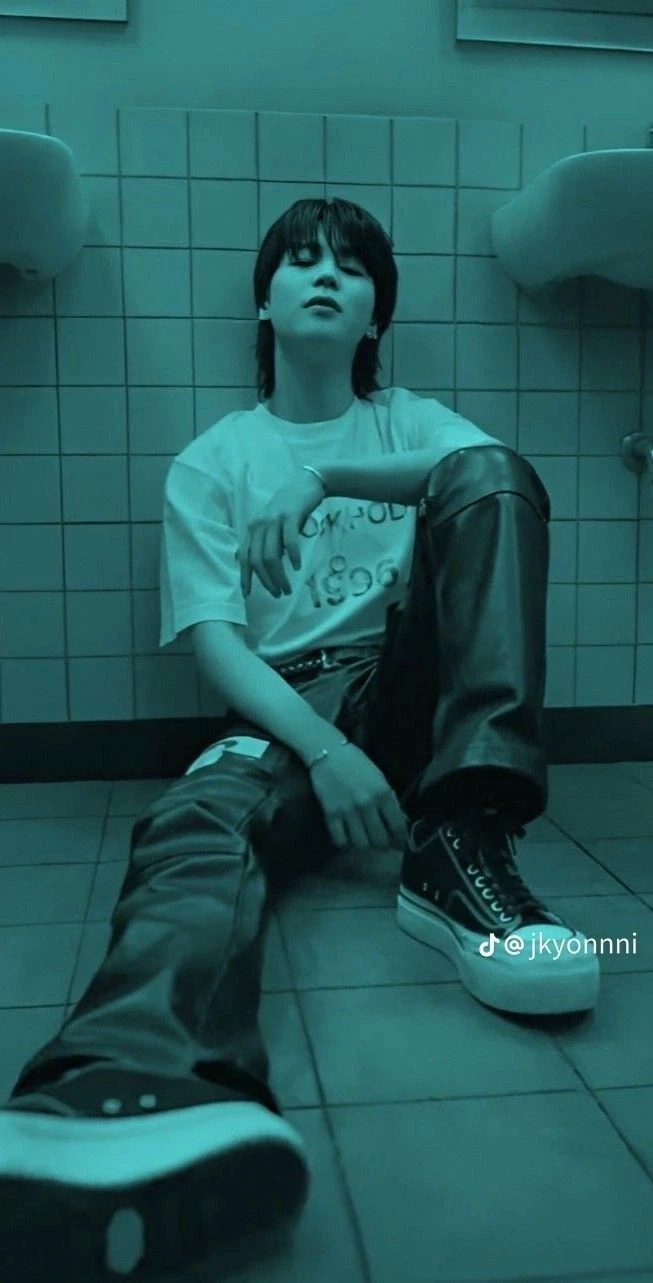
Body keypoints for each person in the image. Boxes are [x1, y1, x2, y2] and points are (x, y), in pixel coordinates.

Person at [0, 198, 600, 1280]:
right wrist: (325, 751)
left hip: (414, 691)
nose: (325, 274)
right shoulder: (213, 460)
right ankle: (137, 1072)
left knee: (490, 472)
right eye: (300, 258)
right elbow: (216, 646)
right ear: (263, 302)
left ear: (376, 317)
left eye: (351, 265)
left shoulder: (405, 422)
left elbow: (497, 478)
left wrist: (325, 475)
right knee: (197, 822)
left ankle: (462, 839)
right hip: (286, 709)